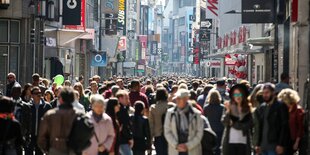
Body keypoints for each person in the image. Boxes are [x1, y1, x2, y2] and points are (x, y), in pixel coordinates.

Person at [38, 87, 81, 155]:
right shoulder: (79, 115)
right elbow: (86, 133)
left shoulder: (50, 115)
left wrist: (48, 150)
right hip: (73, 151)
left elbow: (41, 137)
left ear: (60, 99)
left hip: (54, 150)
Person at [164, 89, 204, 155]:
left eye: (180, 99)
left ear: (186, 99)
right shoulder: (170, 113)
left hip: (192, 150)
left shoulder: (196, 114)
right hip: (175, 150)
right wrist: (176, 145)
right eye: (177, 98)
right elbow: (167, 131)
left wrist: (188, 146)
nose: (177, 100)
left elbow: (199, 133)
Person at [253, 83, 290, 155]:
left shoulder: (280, 106)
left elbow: (284, 126)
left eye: (267, 93)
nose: (265, 95)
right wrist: (258, 144)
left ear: (273, 93)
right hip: (263, 147)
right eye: (263, 93)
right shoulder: (262, 107)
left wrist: (281, 144)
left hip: (274, 146)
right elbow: (260, 127)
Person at [221, 84, 253, 155]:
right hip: (230, 142)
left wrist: (234, 123)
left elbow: (247, 125)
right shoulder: (229, 107)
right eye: (235, 95)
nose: (237, 97)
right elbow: (225, 122)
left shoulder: (247, 108)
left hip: (243, 142)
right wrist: (228, 111)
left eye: (239, 94)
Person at [25, 86, 52, 155]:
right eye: (36, 93)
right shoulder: (28, 106)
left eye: (40, 93)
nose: (39, 94)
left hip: (41, 136)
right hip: (30, 136)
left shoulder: (47, 106)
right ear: (32, 95)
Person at [277, 89, 305, 154]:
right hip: (283, 140)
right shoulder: (283, 110)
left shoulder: (298, 110)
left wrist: (296, 142)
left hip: (292, 140)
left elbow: (300, 128)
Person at [149, 87, 175, 155]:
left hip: (158, 135)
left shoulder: (153, 108)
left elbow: (151, 125)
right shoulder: (172, 106)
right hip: (172, 135)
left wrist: (150, 140)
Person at [11, 84, 32, 155]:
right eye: (14, 92)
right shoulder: (7, 104)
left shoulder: (25, 106)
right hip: (9, 136)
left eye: (17, 92)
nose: (15, 94)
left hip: (20, 135)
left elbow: (28, 123)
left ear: (20, 93)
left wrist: (28, 136)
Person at [203, 89, 224, 155]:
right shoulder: (222, 107)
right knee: (219, 147)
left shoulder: (206, 107)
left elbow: (204, 117)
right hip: (220, 129)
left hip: (210, 130)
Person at [116, 90, 134, 155]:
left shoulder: (122, 109)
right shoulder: (121, 111)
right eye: (126, 98)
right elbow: (125, 125)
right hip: (123, 141)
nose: (128, 100)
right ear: (120, 99)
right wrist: (130, 138)